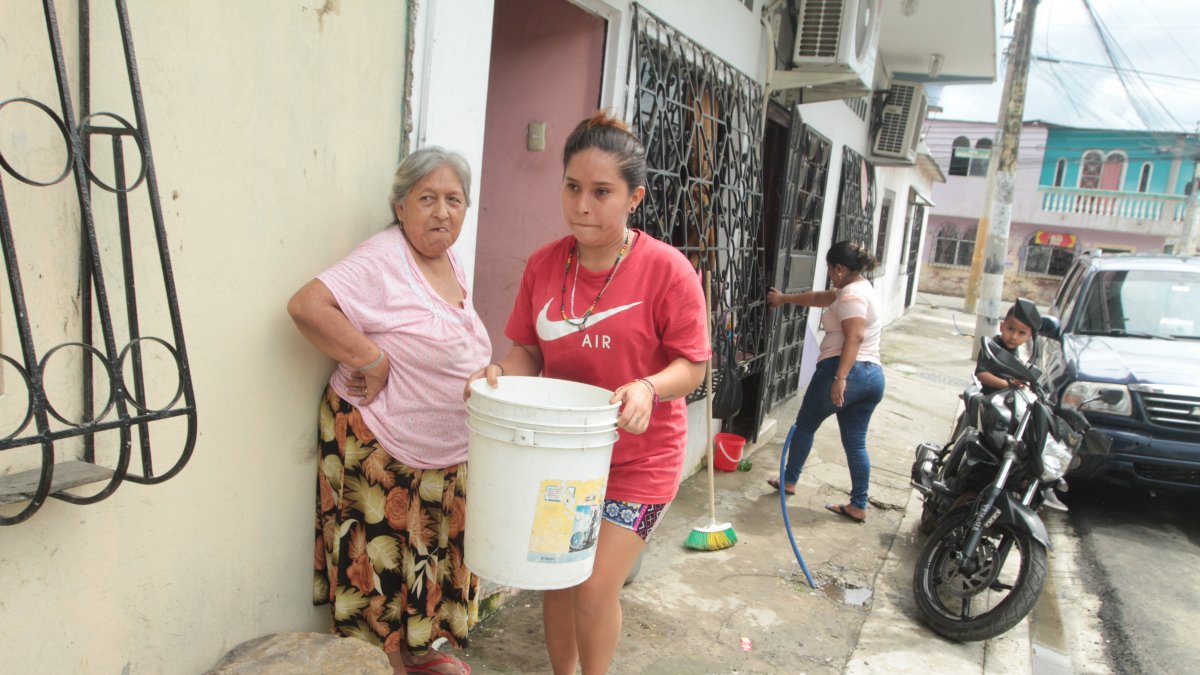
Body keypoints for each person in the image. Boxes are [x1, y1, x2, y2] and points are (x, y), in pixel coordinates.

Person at [466, 111, 709, 675]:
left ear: (634, 198)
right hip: (562, 459)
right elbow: (528, 351)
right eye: (573, 188)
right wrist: (499, 375)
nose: (582, 205)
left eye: (602, 192)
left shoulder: (668, 271)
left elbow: (692, 367)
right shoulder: (545, 265)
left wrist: (650, 386)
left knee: (594, 587)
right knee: (556, 579)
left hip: (639, 461)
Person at [288, 147, 487, 675]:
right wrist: (369, 359)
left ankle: (416, 654)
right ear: (400, 207)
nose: (441, 212)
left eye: (454, 200)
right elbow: (306, 306)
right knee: (381, 566)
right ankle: (384, 663)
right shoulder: (381, 257)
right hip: (381, 442)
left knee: (425, 560)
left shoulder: (450, 259)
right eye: (427, 198)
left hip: (440, 451)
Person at [765, 242, 885, 524]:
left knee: (805, 425)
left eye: (830, 269)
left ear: (840, 269)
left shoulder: (851, 296)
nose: (830, 274)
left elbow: (854, 336)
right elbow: (820, 297)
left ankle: (789, 480)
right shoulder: (858, 288)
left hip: (844, 371)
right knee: (856, 443)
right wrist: (784, 299)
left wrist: (840, 378)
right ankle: (858, 504)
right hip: (873, 377)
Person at [975, 298, 1038, 394]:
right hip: (987, 399)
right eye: (1010, 329)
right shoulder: (992, 347)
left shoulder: (1016, 353)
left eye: (1021, 333)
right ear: (1001, 326)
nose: (1014, 336)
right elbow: (982, 375)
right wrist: (1007, 384)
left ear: (1029, 337)